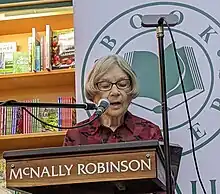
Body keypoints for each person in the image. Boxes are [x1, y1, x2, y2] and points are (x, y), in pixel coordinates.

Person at [63, 54, 164, 194]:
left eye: (123, 84)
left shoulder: (150, 132)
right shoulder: (76, 135)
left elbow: (163, 188)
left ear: (131, 91)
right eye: (105, 86)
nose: (115, 92)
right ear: (93, 93)